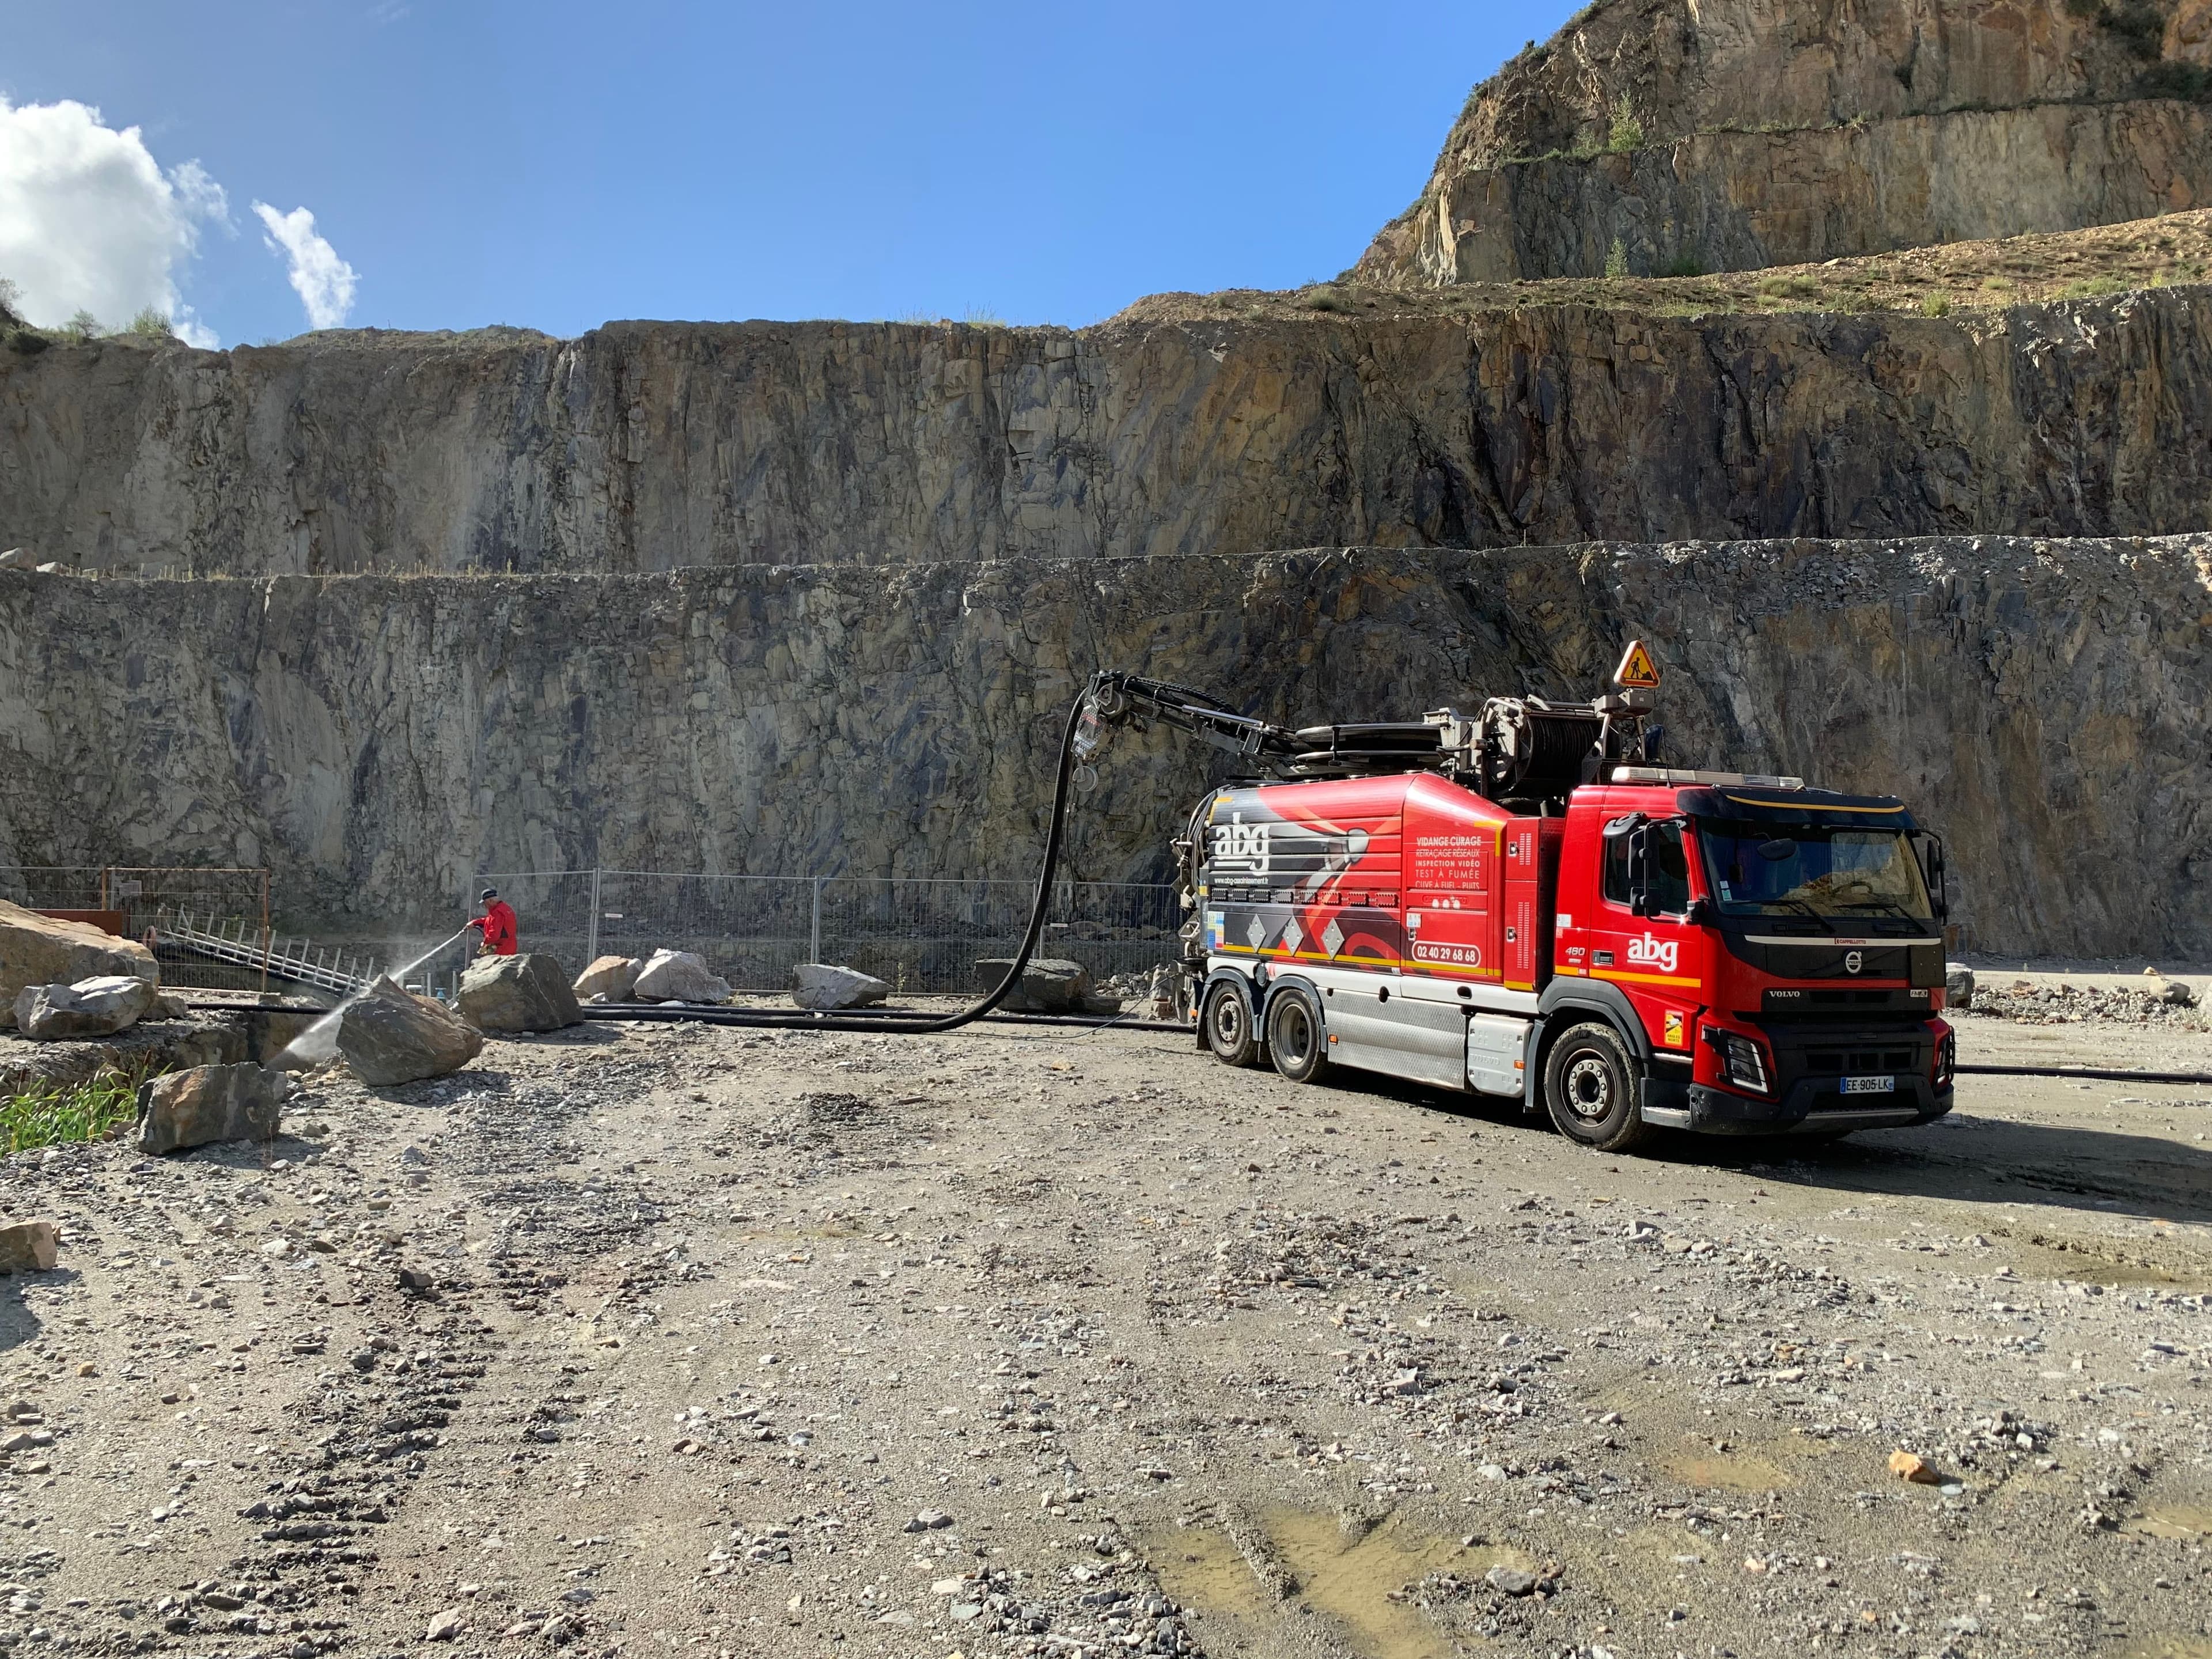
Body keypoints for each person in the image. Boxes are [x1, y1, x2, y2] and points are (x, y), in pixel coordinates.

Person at [467, 887, 518, 957]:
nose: (485, 906)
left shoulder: (497, 912)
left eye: (485, 903)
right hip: (509, 946)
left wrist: (485, 943)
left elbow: (494, 935)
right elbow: (491, 921)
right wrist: (475, 923)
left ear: (490, 901)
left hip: (501, 951)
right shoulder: (505, 908)